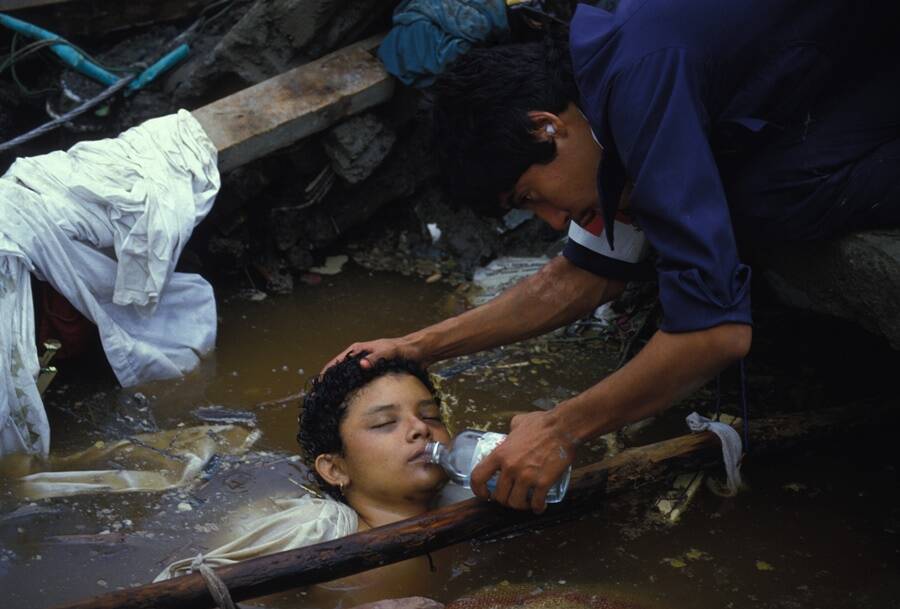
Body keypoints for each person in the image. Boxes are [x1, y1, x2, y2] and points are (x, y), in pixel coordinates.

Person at [329, 0, 900, 514]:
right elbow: (582, 274)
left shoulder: (639, 83)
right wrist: (419, 347)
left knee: (751, 207)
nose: (554, 221)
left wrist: (561, 428)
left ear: (546, 127)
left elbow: (717, 333)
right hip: (830, 75)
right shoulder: (598, 100)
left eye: (532, 198)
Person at [159, 355, 465, 604]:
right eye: (385, 423)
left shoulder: (470, 497)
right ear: (336, 469)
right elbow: (190, 594)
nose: (420, 429)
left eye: (431, 416)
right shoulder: (316, 533)